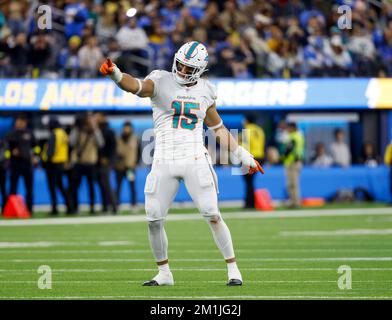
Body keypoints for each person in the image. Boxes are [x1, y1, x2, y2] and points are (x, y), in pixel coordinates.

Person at [99, 41, 264, 286]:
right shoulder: (160, 80)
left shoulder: (206, 90)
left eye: (188, 68)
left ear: (200, 70)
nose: (182, 70)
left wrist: (242, 155)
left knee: (212, 214)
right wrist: (116, 74)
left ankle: (233, 270)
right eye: (180, 64)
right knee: (153, 218)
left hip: (194, 157)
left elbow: (217, 128)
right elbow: (137, 86)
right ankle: (164, 273)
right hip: (163, 158)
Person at [69, 113, 104, 214]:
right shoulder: (78, 130)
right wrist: (76, 128)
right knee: (74, 187)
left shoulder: (94, 131)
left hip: (90, 163)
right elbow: (71, 142)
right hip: (78, 162)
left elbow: (101, 143)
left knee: (91, 186)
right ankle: (74, 207)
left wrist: (94, 129)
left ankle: (92, 207)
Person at [5, 115, 40, 214]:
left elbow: (36, 147)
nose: (21, 123)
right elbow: (5, 150)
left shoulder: (29, 134)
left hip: (27, 164)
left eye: (23, 121)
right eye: (19, 121)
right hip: (15, 164)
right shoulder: (10, 134)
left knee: (29, 188)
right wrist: (11, 152)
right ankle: (10, 209)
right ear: (16, 122)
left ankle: (29, 209)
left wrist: (35, 156)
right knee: (13, 188)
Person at [42, 117, 72, 215]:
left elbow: (51, 150)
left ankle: (55, 207)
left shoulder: (54, 134)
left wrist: (45, 159)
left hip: (53, 164)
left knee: (52, 187)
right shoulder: (63, 133)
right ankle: (69, 206)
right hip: (62, 162)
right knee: (61, 186)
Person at [95, 112, 117, 214]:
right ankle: (105, 206)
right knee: (102, 184)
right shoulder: (98, 130)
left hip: (106, 162)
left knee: (106, 184)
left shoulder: (108, 131)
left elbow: (112, 147)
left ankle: (113, 206)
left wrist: (107, 158)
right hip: (98, 162)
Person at [241, 115, 265, 208]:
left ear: (247, 120)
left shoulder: (246, 130)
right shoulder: (259, 130)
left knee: (248, 181)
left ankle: (249, 203)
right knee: (250, 181)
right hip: (260, 157)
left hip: (250, 157)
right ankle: (250, 202)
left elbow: (244, 145)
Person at [115, 121, 139, 211]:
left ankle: (134, 204)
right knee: (118, 186)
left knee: (132, 186)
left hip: (130, 167)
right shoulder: (118, 138)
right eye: (125, 127)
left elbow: (139, 152)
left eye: (128, 127)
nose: (126, 129)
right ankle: (116, 204)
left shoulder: (135, 138)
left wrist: (135, 162)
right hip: (120, 167)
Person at [282, 122, 304, 208]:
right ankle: (294, 202)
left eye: (289, 128)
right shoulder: (299, 136)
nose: (288, 130)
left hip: (292, 163)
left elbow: (289, 149)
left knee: (292, 184)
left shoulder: (294, 136)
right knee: (293, 184)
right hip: (296, 162)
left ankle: (295, 203)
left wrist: (282, 156)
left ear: (292, 128)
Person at [0, 138, 7, 214]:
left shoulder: (3, 143)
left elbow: (5, 155)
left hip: (2, 169)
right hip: (2, 168)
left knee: (3, 189)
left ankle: (4, 209)